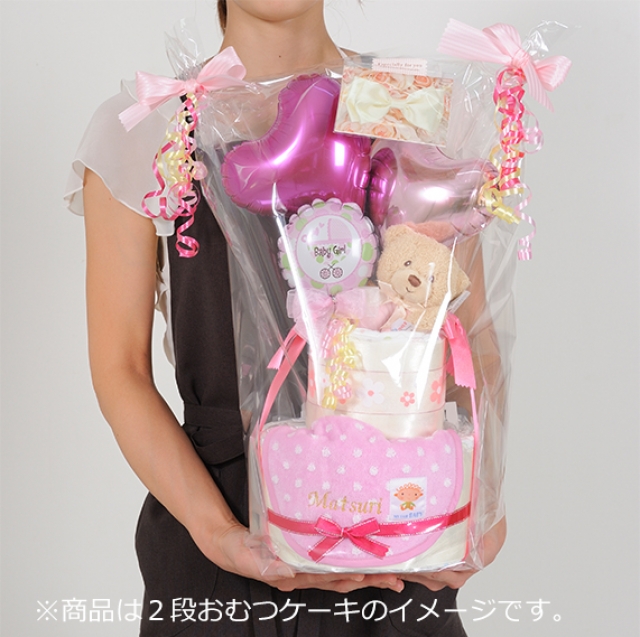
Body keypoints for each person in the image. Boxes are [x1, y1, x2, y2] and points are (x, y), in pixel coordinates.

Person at [67, 1, 506, 635]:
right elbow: (121, 372)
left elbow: (471, 333)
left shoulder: (405, 103)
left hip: (396, 523)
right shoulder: (150, 119)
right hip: (220, 540)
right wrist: (220, 534)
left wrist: (479, 503)